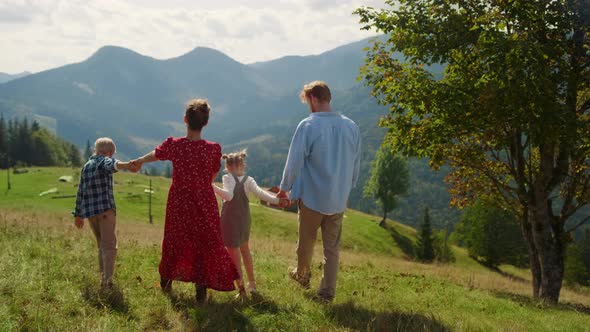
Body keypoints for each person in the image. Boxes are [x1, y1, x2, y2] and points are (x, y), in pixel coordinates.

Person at [132, 99, 239, 305]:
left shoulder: (176, 145)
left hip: (179, 200)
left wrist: (139, 161)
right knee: (204, 242)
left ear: (185, 120)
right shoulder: (213, 149)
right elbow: (212, 173)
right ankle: (201, 291)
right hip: (204, 201)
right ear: (206, 123)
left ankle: (166, 282)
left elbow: (156, 154)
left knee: (174, 238)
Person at [278, 81, 361, 303]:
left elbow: (294, 161)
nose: (308, 106)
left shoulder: (308, 125)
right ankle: (326, 294)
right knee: (331, 249)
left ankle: (303, 277)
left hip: (313, 198)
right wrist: (346, 190)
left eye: (308, 101)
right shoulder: (351, 126)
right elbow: (355, 165)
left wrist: (284, 188)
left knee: (305, 243)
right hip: (337, 200)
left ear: (314, 99)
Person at [212, 150, 286, 301]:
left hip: (230, 222)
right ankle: (252, 284)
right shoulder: (249, 180)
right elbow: (262, 194)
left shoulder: (227, 178)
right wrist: (279, 201)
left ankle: (241, 290)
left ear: (228, 166)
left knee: (234, 256)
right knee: (245, 251)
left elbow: (228, 196)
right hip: (244, 220)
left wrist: (212, 186)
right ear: (242, 165)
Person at [73, 137, 139, 288]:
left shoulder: (86, 166)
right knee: (109, 247)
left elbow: (80, 192)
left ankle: (103, 277)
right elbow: (113, 164)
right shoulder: (105, 161)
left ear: (95, 150)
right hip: (105, 212)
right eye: (112, 154)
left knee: (101, 245)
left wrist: (78, 214)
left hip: (91, 214)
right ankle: (107, 282)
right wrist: (128, 165)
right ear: (109, 153)